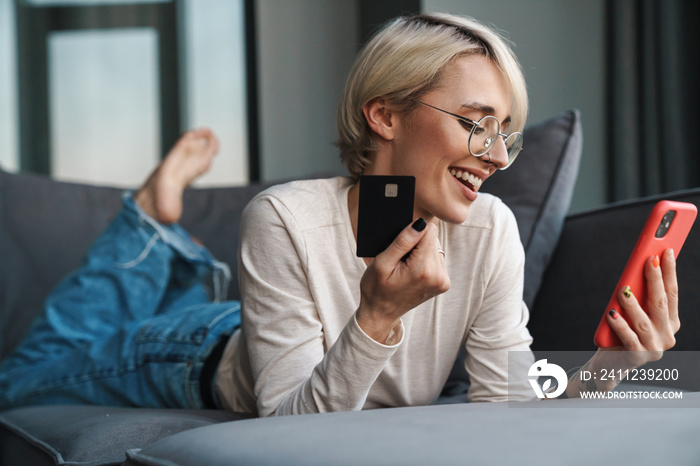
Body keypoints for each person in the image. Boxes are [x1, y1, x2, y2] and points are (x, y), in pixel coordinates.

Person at [0, 13, 680, 415]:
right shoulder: (286, 218)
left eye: (505, 132)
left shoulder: (490, 229)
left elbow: (504, 413)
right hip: (197, 354)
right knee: (20, 385)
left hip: (277, 323)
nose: (498, 157)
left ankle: (173, 253)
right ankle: (147, 225)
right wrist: (379, 317)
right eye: (476, 125)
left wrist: (609, 369)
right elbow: (289, 423)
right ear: (383, 114)